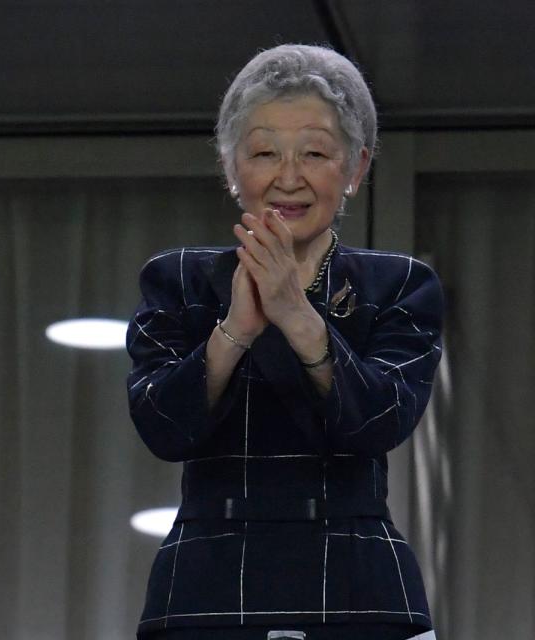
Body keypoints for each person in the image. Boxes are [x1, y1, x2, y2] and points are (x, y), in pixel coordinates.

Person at [126, 45, 441, 640]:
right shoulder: (179, 279)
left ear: (356, 168)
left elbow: (381, 422)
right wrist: (238, 328)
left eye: (316, 153)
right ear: (230, 167)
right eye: (265, 152)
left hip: (359, 583)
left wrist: (298, 316)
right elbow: (161, 427)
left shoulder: (400, 284)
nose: (289, 177)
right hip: (207, 582)